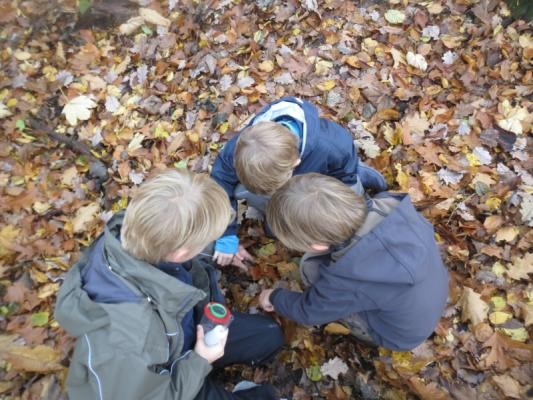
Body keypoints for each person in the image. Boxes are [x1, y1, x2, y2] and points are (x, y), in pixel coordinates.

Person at [55, 169, 284, 400]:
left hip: (183, 335)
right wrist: (200, 361)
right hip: (164, 380)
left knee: (269, 336)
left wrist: (214, 251)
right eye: (206, 240)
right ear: (180, 253)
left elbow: (175, 232)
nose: (207, 244)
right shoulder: (126, 341)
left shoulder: (137, 228)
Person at [258, 173, 448, 351]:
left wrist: (275, 297)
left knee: (309, 267)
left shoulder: (345, 280)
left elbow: (310, 311)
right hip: (431, 295)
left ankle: (365, 334)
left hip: (398, 337)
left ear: (317, 245)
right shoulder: (389, 205)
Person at [210, 97, 387, 269]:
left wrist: (338, 204)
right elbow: (219, 186)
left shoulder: (332, 145)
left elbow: (343, 181)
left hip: (329, 177)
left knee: (350, 204)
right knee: (273, 219)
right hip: (295, 193)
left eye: (275, 186)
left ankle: (361, 172)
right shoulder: (242, 148)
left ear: (295, 163)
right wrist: (225, 234)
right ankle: (275, 208)